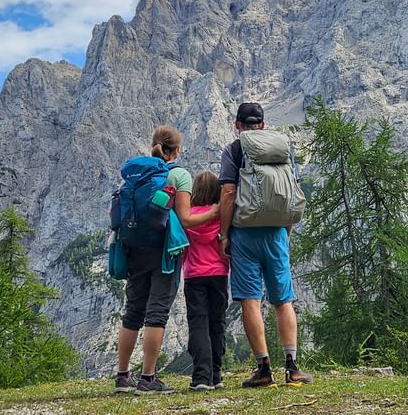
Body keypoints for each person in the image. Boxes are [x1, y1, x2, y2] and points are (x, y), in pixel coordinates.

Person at [114, 125, 219, 395]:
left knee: (132, 311)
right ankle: (148, 378)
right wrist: (214, 213)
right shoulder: (178, 175)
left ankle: (122, 376)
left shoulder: (135, 175)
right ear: (178, 149)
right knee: (156, 312)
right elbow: (186, 219)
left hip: (133, 249)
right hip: (164, 253)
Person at [217, 103, 313, 388]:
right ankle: (293, 369)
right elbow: (291, 193)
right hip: (276, 233)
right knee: (283, 301)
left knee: (250, 300)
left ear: (237, 125)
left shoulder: (234, 150)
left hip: (245, 234)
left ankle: (264, 369)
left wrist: (224, 234)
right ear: (263, 123)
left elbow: (228, 193)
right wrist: (286, 230)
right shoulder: (282, 149)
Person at [182, 171, 229, 391]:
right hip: (219, 275)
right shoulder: (222, 217)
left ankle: (201, 377)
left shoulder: (188, 216)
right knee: (217, 324)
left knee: (198, 324)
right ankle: (216, 375)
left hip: (194, 276)